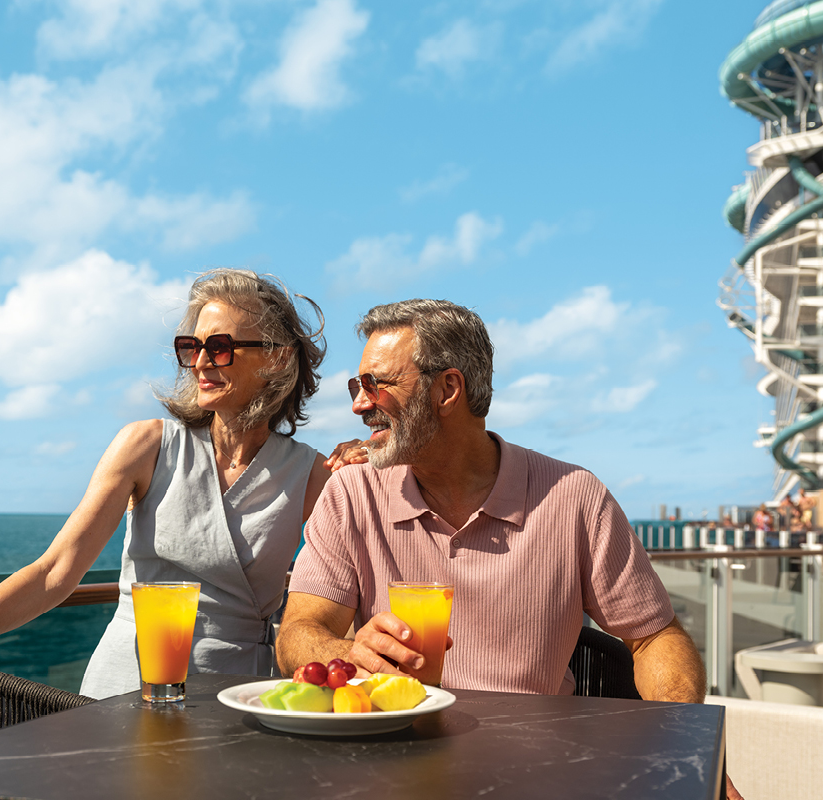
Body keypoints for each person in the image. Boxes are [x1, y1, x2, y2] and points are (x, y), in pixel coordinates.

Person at [274, 299, 742, 800]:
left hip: (539, 775)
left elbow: (654, 639)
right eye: (356, 386)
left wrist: (683, 748)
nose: (358, 405)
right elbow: (298, 634)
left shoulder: (573, 496)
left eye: (375, 384)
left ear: (447, 390)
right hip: (393, 768)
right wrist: (350, 653)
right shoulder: (351, 494)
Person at [0, 269, 367, 698]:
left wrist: (375, 456)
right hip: (122, 689)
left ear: (275, 359)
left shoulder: (312, 476)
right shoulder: (146, 447)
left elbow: (354, 584)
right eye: (190, 347)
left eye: (219, 347)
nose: (200, 361)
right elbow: (56, 573)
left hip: (234, 698)